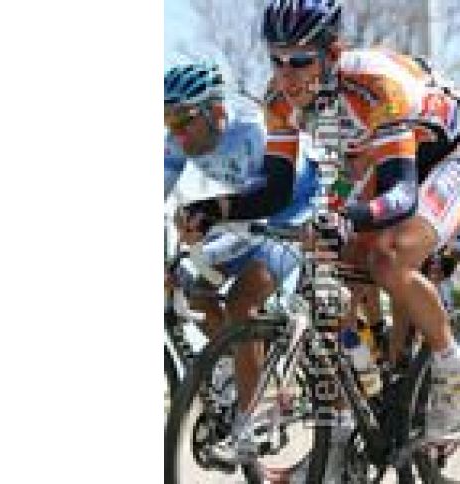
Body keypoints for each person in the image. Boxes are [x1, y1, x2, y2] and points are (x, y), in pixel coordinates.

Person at [260, 0, 460, 444]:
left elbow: (401, 195)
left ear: (332, 53)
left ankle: (452, 366)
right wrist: (216, 211)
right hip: (378, 160)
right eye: (276, 60)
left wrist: (348, 217)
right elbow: (295, 184)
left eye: (300, 60)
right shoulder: (282, 98)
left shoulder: (374, 85)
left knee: (388, 256)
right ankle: (371, 373)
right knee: (328, 261)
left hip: (444, 157)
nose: (286, 74)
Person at [164, 58, 319, 458]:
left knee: (241, 301)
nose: (175, 132)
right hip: (245, 213)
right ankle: (234, 363)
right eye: (167, 120)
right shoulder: (178, 139)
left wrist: (207, 224)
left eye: (182, 121)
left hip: (293, 212)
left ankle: (247, 424)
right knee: (192, 285)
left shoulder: (254, 131)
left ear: (216, 112)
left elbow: (263, 206)